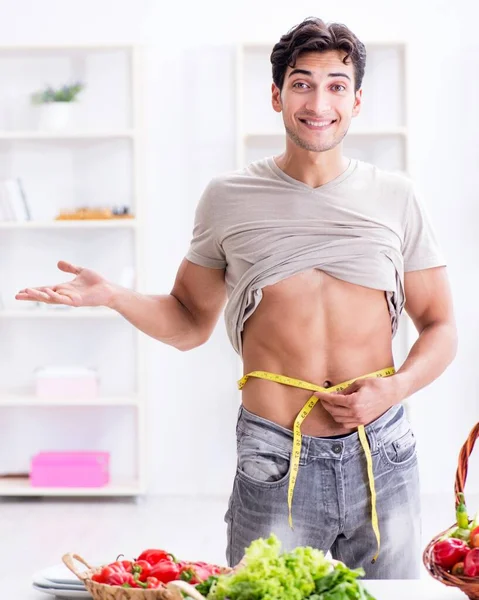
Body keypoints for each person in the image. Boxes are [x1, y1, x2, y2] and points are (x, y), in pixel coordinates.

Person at [16, 17, 457, 579]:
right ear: (276, 96)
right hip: (274, 455)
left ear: (357, 99)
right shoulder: (229, 197)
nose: (318, 101)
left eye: (336, 84)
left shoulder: (397, 197)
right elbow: (187, 321)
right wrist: (115, 296)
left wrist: (394, 388)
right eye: (302, 83)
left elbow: (441, 325)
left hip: (382, 452)